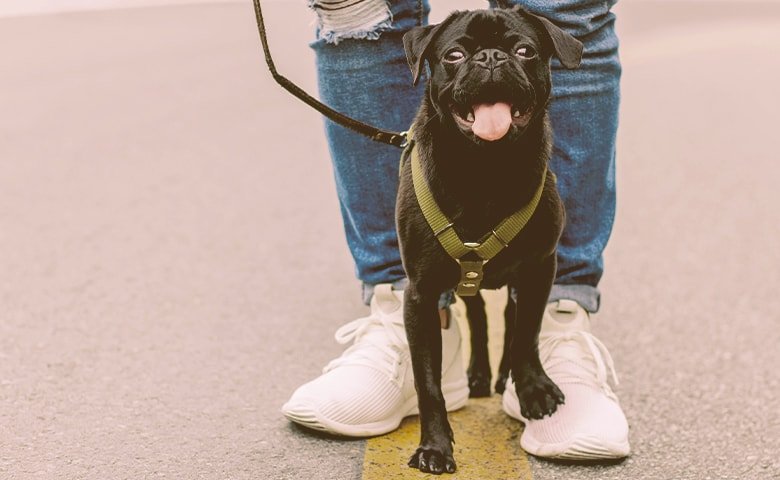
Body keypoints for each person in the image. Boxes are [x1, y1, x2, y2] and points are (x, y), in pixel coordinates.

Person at [281, 0, 629, 460]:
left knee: (565, 3)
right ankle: (397, 312)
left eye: (522, 52)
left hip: (529, 207)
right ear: (425, 65)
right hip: (433, 187)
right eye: (457, 56)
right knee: (356, 6)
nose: (489, 63)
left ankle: (550, 332)